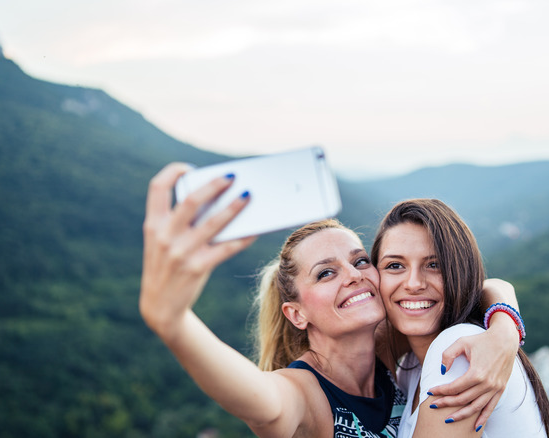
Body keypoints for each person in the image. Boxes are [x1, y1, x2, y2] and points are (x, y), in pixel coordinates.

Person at [140, 164, 522, 437]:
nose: (354, 275)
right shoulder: (303, 393)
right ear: (296, 313)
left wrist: (504, 329)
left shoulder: (390, 347)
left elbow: (487, 284)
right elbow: (258, 399)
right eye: (326, 272)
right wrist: (174, 323)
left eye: (359, 261)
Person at [370, 199, 549, 437]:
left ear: (461, 272)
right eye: (395, 265)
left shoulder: (459, 353)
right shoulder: (410, 366)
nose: (414, 284)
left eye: (434, 264)